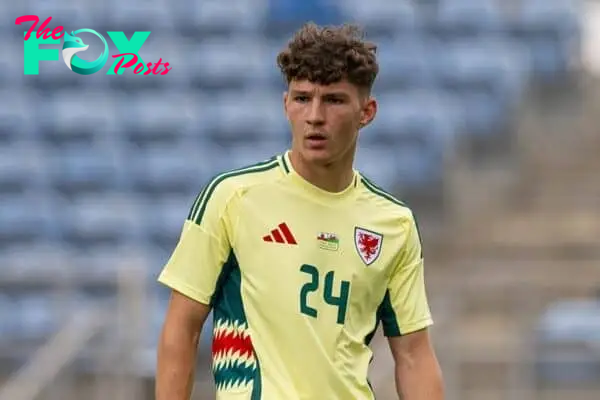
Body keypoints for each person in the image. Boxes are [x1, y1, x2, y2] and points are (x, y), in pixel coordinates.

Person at [156, 22, 444, 400]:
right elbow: (182, 328)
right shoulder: (233, 198)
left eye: (334, 100)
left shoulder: (393, 224)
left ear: (367, 112)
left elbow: (413, 355)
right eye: (303, 98)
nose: (315, 116)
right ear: (285, 104)